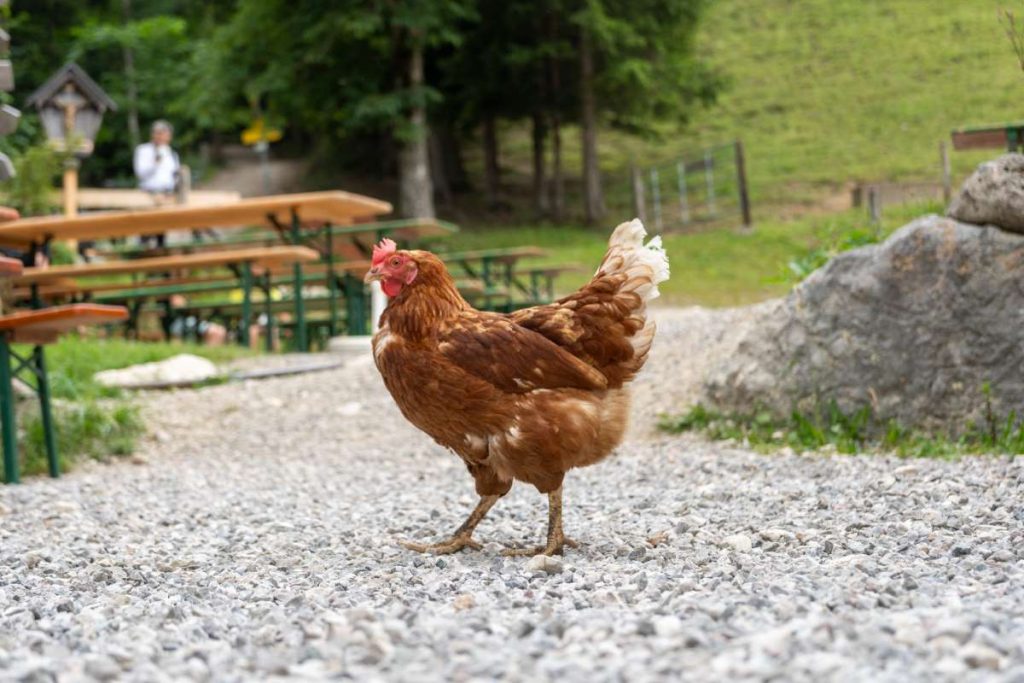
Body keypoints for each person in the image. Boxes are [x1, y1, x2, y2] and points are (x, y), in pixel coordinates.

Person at [133, 120, 180, 248]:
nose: (160, 137)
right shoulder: (143, 150)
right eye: (158, 133)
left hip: (167, 195)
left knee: (162, 230)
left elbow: (175, 175)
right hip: (148, 195)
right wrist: (155, 163)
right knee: (147, 228)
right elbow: (141, 173)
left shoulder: (172, 153)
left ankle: (161, 254)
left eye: (164, 134)